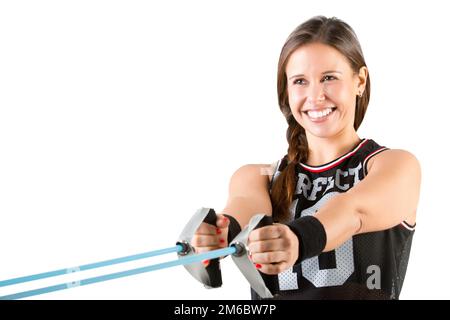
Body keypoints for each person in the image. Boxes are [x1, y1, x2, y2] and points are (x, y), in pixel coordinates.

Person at [191, 16, 420, 300]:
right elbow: (246, 207)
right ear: (287, 92)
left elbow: (353, 211)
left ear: (360, 81)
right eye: (300, 81)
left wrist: (299, 238)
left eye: (329, 78)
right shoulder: (258, 176)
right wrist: (219, 233)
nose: (315, 96)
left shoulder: (393, 165)